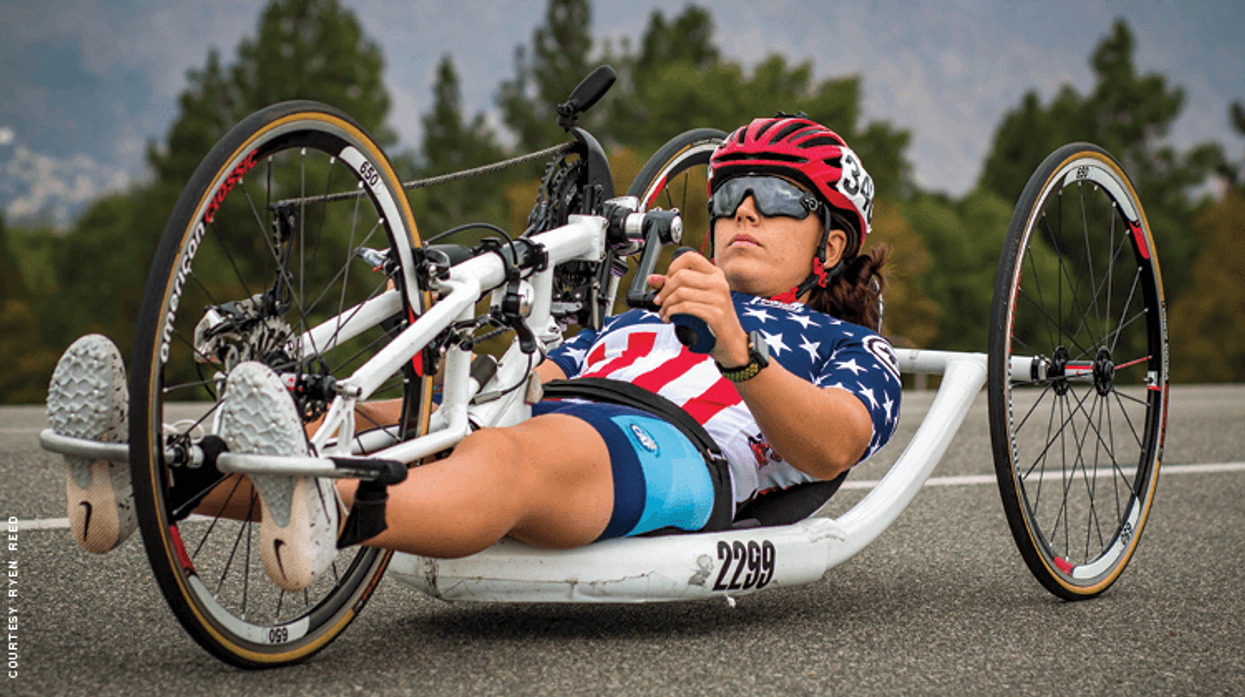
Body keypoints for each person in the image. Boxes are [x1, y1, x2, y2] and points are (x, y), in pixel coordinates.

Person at [48, 115, 901, 592]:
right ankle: (146, 472)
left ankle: (328, 502)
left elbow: (829, 446)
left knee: (514, 454)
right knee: (375, 416)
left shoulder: (849, 345)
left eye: (778, 198)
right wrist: (489, 367)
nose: (744, 211)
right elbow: (550, 374)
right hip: (567, 410)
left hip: (677, 451)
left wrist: (739, 348)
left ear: (827, 247)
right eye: (729, 194)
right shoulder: (657, 304)